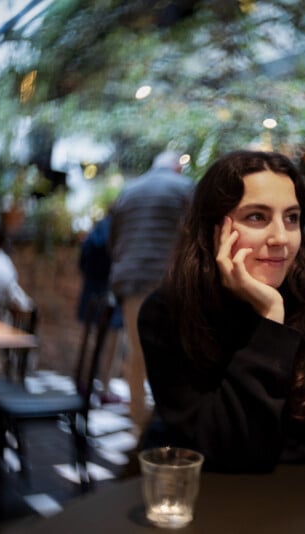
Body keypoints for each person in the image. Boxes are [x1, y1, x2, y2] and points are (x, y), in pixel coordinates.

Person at [138, 150, 305, 473]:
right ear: (213, 230)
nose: (280, 238)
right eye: (257, 217)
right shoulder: (166, 313)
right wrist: (269, 318)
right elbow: (208, 447)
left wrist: (256, 450)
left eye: (292, 218)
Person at [108, 150, 195, 433]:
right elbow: (197, 235)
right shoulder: (184, 188)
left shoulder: (128, 191)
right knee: (175, 354)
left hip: (132, 280)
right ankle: (171, 422)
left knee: (137, 353)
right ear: (176, 168)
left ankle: (139, 423)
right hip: (168, 283)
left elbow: (113, 237)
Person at [77, 213, 124, 403]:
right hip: (109, 290)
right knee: (113, 341)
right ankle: (103, 388)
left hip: (91, 291)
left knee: (91, 339)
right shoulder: (116, 228)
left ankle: (83, 382)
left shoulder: (97, 228)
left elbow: (82, 262)